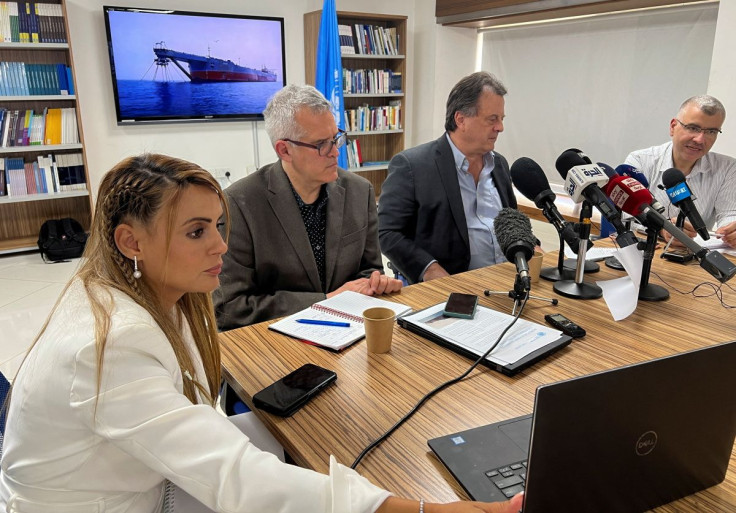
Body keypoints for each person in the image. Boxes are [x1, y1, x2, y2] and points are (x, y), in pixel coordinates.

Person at [0, 154, 522, 513]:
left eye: (217, 227)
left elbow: (198, 421)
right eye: (196, 232)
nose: (220, 248)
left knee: (319, 446)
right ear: (130, 241)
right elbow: (234, 476)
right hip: (118, 502)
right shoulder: (109, 343)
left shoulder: (143, 295)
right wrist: (427, 509)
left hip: (138, 481)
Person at [214, 84, 402, 331]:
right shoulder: (239, 204)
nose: (336, 152)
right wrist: (324, 302)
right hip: (276, 344)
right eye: (322, 144)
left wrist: (376, 283)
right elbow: (230, 307)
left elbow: (369, 269)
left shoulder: (359, 191)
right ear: (284, 150)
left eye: (337, 138)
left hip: (350, 333)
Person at [378, 72, 517, 285]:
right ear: (461, 119)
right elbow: (388, 233)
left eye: (501, 119)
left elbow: (512, 223)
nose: (500, 127)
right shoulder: (412, 166)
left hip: (507, 283)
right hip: (451, 289)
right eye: (492, 119)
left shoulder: (499, 165)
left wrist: (529, 246)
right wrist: (429, 268)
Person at [624, 95, 736, 247]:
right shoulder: (640, 162)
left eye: (711, 131)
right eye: (693, 128)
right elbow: (626, 217)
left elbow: (729, 214)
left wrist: (731, 231)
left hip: (693, 259)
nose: (700, 139)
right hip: (647, 253)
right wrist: (662, 229)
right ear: (673, 127)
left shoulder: (728, 168)